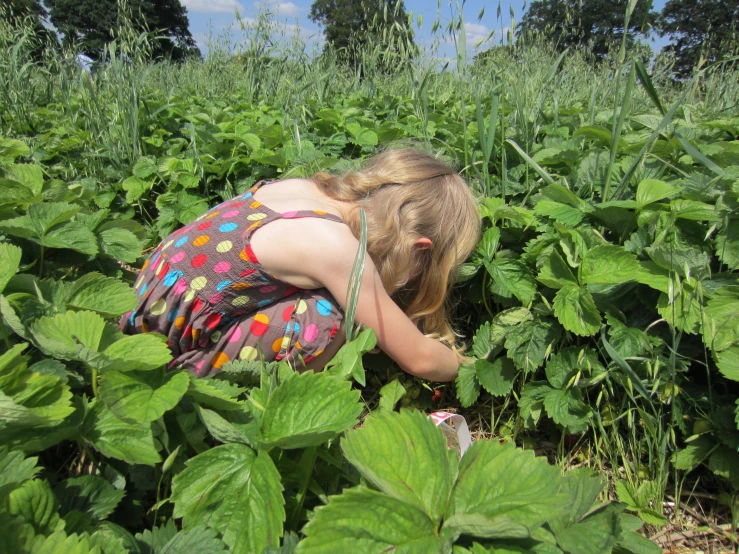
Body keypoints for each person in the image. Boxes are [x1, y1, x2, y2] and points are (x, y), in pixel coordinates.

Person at [120, 146, 481, 382]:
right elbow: (419, 359)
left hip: (147, 302)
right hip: (159, 351)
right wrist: (468, 368)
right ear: (419, 247)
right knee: (332, 316)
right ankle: (229, 394)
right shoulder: (336, 249)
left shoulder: (305, 190)